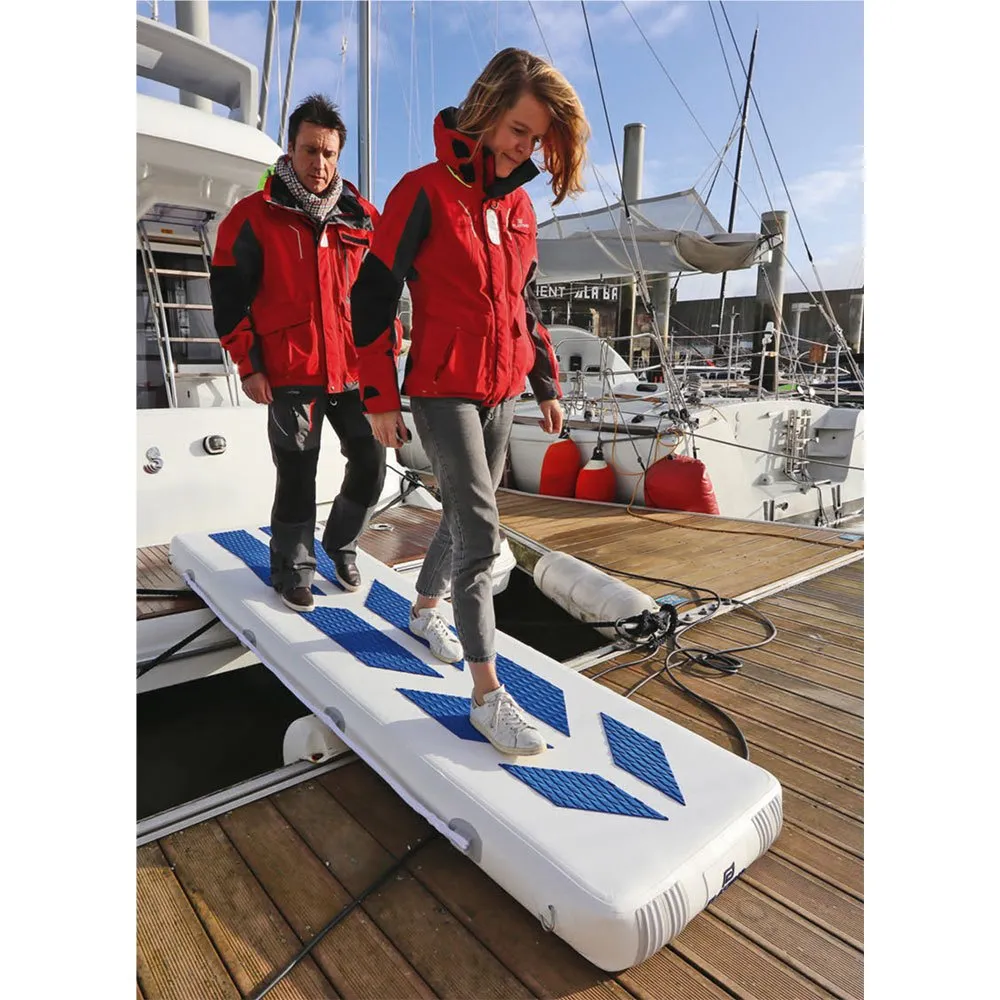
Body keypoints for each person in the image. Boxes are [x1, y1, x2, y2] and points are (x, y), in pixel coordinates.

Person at [350, 49, 590, 756]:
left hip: (502, 388)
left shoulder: (519, 208)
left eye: (536, 139)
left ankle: (425, 607)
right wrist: (378, 395)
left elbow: (524, 306)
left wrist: (545, 383)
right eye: (519, 130)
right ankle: (488, 696)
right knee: (483, 531)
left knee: (461, 518)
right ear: (485, 112)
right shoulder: (422, 192)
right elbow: (372, 296)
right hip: (440, 388)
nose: (526, 149)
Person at [210, 94, 390, 612]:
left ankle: (341, 543)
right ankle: (293, 569)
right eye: (310, 150)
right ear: (290, 149)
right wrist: (249, 365)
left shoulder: (363, 217)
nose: (320, 163)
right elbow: (228, 298)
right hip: (290, 370)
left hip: (353, 369)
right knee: (296, 472)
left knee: (372, 462)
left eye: (329, 153)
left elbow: (383, 291)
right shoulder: (252, 216)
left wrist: (388, 342)